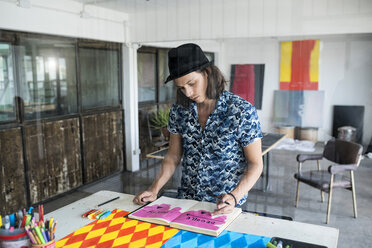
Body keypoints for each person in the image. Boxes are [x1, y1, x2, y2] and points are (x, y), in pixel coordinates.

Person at [133, 43, 263, 215]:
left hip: (224, 206)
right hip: (187, 201)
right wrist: (154, 189)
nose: (187, 92)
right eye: (181, 88)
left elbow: (255, 164)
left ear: (207, 73)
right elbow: (173, 156)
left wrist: (234, 196)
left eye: (192, 83)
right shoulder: (179, 111)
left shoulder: (241, 111)